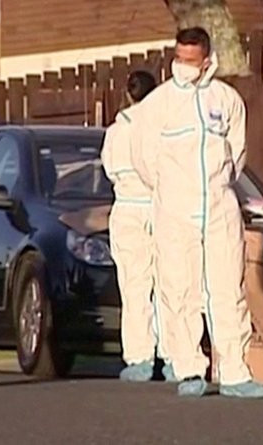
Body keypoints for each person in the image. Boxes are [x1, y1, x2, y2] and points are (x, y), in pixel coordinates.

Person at [130, 27, 263, 400]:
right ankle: (190, 367)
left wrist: (219, 184)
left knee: (228, 289)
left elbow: (236, 155)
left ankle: (236, 371)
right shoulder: (157, 105)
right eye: (179, 59)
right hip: (175, 209)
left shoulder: (227, 99)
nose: (184, 67)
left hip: (220, 207)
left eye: (191, 61)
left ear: (207, 59)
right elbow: (143, 159)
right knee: (180, 288)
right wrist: (173, 192)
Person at [102, 70, 175, 383]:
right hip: (160, 205)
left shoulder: (116, 132)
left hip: (128, 207)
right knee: (170, 285)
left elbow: (109, 169)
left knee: (134, 286)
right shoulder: (161, 126)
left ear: (128, 95)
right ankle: (173, 356)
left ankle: (139, 358)